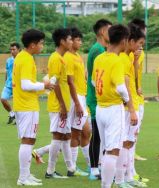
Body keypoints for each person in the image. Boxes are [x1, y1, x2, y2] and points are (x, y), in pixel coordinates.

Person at [91, 24, 134, 188]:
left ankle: (109, 183)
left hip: (100, 108)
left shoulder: (99, 58)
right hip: (114, 108)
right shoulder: (117, 61)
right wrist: (126, 100)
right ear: (123, 40)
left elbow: (94, 82)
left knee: (107, 147)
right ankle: (107, 185)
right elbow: (121, 87)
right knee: (113, 150)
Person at [13, 29, 54, 186]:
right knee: (27, 140)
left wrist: (44, 88)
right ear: (32, 45)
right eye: (41, 43)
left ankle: (26, 175)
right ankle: (23, 178)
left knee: (29, 140)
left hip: (26, 104)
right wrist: (45, 84)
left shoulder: (24, 57)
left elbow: (27, 84)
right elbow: (25, 84)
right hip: (26, 105)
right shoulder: (25, 59)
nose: (43, 46)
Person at [45, 28, 82, 178]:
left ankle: (71, 168)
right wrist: (61, 105)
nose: (72, 42)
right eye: (69, 39)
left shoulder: (61, 58)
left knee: (66, 135)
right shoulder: (55, 58)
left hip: (64, 104)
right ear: (62, 41)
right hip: (58, 105)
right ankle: (50, 171)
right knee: (58, 136)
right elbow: (55, 83)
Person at [115, 24, 147, 188]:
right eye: (140, 43)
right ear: (131, 41)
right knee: (126, 142)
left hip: (132, 103)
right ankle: (122, 179)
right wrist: (131, 107)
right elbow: (124, 85)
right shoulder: (121, 58)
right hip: (129, 106)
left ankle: (128, 176)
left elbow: (132, 80)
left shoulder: (128, 57)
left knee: (129, 141)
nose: (140, 47)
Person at [86, 19, 112, 180]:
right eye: (110, 30)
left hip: (98, 97)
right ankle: (94, 168)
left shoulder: (100, 49)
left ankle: (99, 165)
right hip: (96, 98)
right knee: (96, 134)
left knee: (101, 135)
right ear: (102, 32)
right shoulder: (98, 51)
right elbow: (97, 78)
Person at [65, 27, 90, 175]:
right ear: (70, 41)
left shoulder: (78, 56)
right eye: (77, 40)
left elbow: (83, 77)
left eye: (81, 40)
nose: (80, 42)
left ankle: (90, 166)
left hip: (82, 96)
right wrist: (78, 103)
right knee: (76, 133)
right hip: (75, 98)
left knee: (85, 132)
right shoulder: (68, 57)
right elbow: (70, 81)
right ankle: (72, 168)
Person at [129, 18, 147, 162]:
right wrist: (137, 86)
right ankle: (130, 154)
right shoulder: (134, 53)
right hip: (132, 95)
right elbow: (132, 73)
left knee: (135, 128)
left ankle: (131, 153)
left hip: (136, 93)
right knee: (133, 128)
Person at [1, 42, 20, 125]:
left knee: (18, 103)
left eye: (14, 49)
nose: (12, 51)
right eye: (11, 49)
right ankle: (12, 114)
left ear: (19, 50)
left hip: (18, 85)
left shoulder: (21, 59)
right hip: (8, 84)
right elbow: (7, 71)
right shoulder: (8, 60)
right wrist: (5, 81)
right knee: (3, 99)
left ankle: (18, 119)